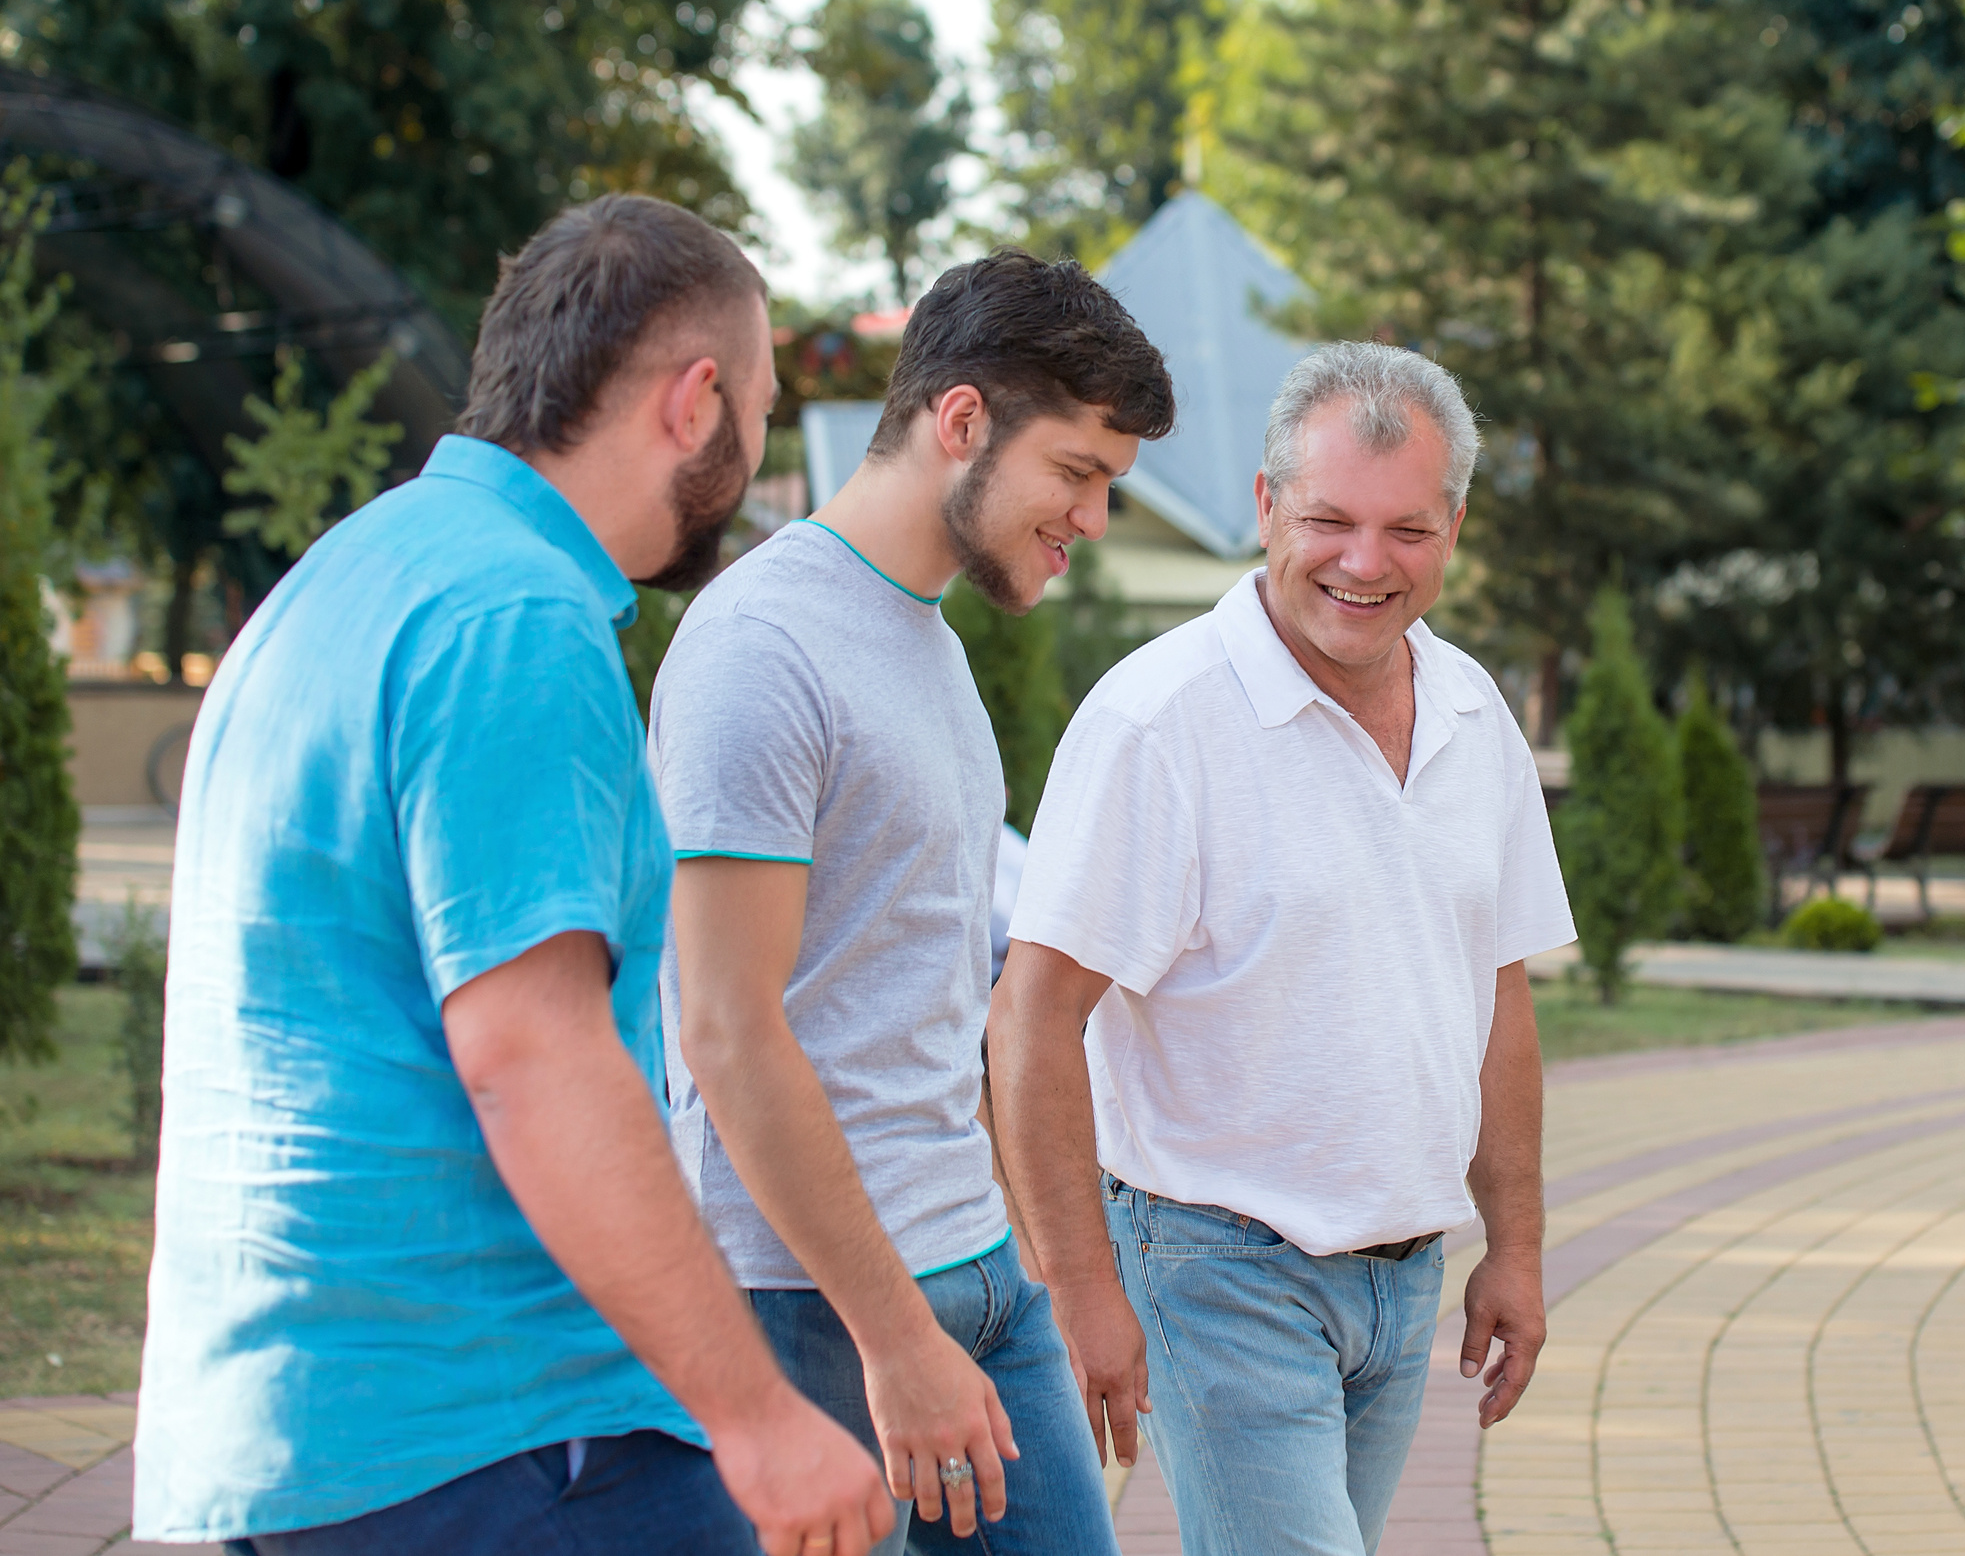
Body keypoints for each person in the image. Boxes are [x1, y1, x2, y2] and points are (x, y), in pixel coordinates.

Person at [132, 194, 894, 1556]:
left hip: (292, 1433)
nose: (759, 451)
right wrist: (758, 1414)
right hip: (505, 1436)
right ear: (694, 400)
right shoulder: (515, 621)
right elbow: (531, 1056)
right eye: (762, 411)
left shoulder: (341, 583)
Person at [989, 341, 1576, 1556]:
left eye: (1407, 529)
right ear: (1264, 506)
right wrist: (1081, 1285)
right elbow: (1032, 1016)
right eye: (1329, 520)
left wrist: (1512, 1247)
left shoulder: (1473, 712)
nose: (1365, 563)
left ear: (1453, 526)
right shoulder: (1159, 721)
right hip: (1215, 1264)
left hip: (1404, 1274)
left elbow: (1498, 995)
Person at [650, 250, 1175, 1554]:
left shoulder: (929, 645)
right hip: (816, 1306)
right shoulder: (760, 648)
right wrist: (894, 1335)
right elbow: (725, 1030)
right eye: (1079, 473)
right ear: (961, 423)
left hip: (983, 1275)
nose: (1093, 519)